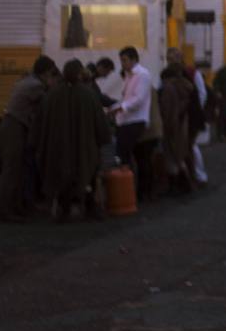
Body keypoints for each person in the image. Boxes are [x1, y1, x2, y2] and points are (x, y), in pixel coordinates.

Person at [37, 59, 112, 221]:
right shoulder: (88, 95)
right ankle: (90, 208)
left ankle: (64, 210)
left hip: (60, 148)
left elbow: (42, 122)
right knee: (88, 175)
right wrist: (103, 138)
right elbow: (99, 122)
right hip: (84, 148)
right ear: (79, 74)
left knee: (63, 177)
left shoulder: (52, 95)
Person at [0, 56, 57, 223]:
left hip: (12, 126)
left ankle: (16, 207)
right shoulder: (36, 86)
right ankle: (6, 212)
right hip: (14, 128)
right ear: (45, 72)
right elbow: (48, 103)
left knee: (17, 171)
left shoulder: (27, 80)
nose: (52, 77)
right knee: (12, 171)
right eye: (51, 73)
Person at [113, 46, 153, 201]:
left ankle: (137, 192)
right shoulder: (130, 75)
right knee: (138, 156)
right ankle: (137, 191)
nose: (122, 64)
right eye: (121, 60)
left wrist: (122, 107)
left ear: (134, 59)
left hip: (134, 120)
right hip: (127, 119)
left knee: (126, 155)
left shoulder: (142, 75)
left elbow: (138, 99)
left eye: (124, 60)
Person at [159, 50, 197, 194]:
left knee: (173, 156)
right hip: (183, 123)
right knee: (181, 154)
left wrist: (166, 125)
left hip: (173, 124)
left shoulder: (168, 88)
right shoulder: (185, 85)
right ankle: (187, 183)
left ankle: (178, 185)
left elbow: (167, 110)